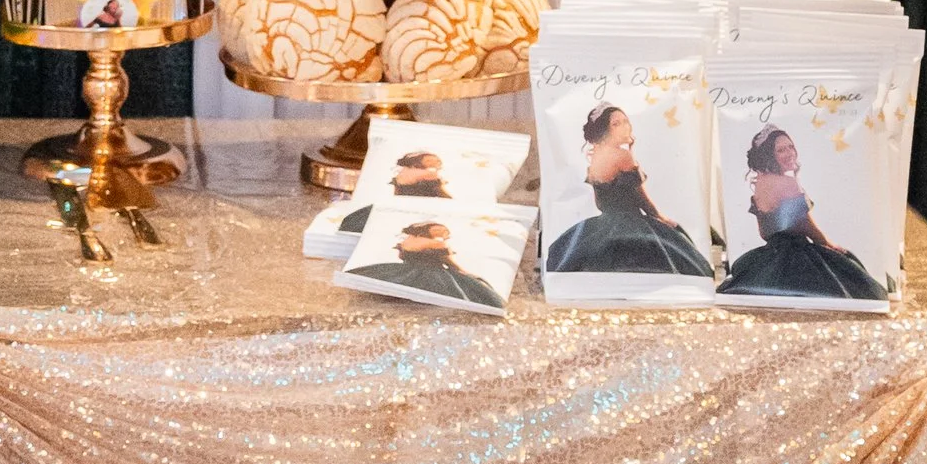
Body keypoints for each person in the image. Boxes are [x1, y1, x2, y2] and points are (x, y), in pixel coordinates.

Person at [543, 102, 713, 277]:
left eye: (626, 121)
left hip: (604, 223)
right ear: (604, 130)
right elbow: (641, 199)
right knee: (678, 247)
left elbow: (600, 202)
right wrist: (660, 217)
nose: (625, 127)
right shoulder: (622, 156)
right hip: (631, 222)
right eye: (616, 124)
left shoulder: (597, 157)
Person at [721, 124, 888, 301]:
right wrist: (828, 244)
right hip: (798, 255)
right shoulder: (788, 183)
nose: (790, 153)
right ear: (770, 155)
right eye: (781, 150)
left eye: (790, 147)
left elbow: (764, 233)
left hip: (770, 256)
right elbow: (806, 226)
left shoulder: (760, 185)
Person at [349, 215, 505, 310]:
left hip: (408, 271)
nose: (443, 235)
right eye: (439, 231)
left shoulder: (409, 241)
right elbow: (450, 263)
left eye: (445, 233)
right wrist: (464, 272)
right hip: (434, 275)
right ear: (427, 229)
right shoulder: (437, 244)